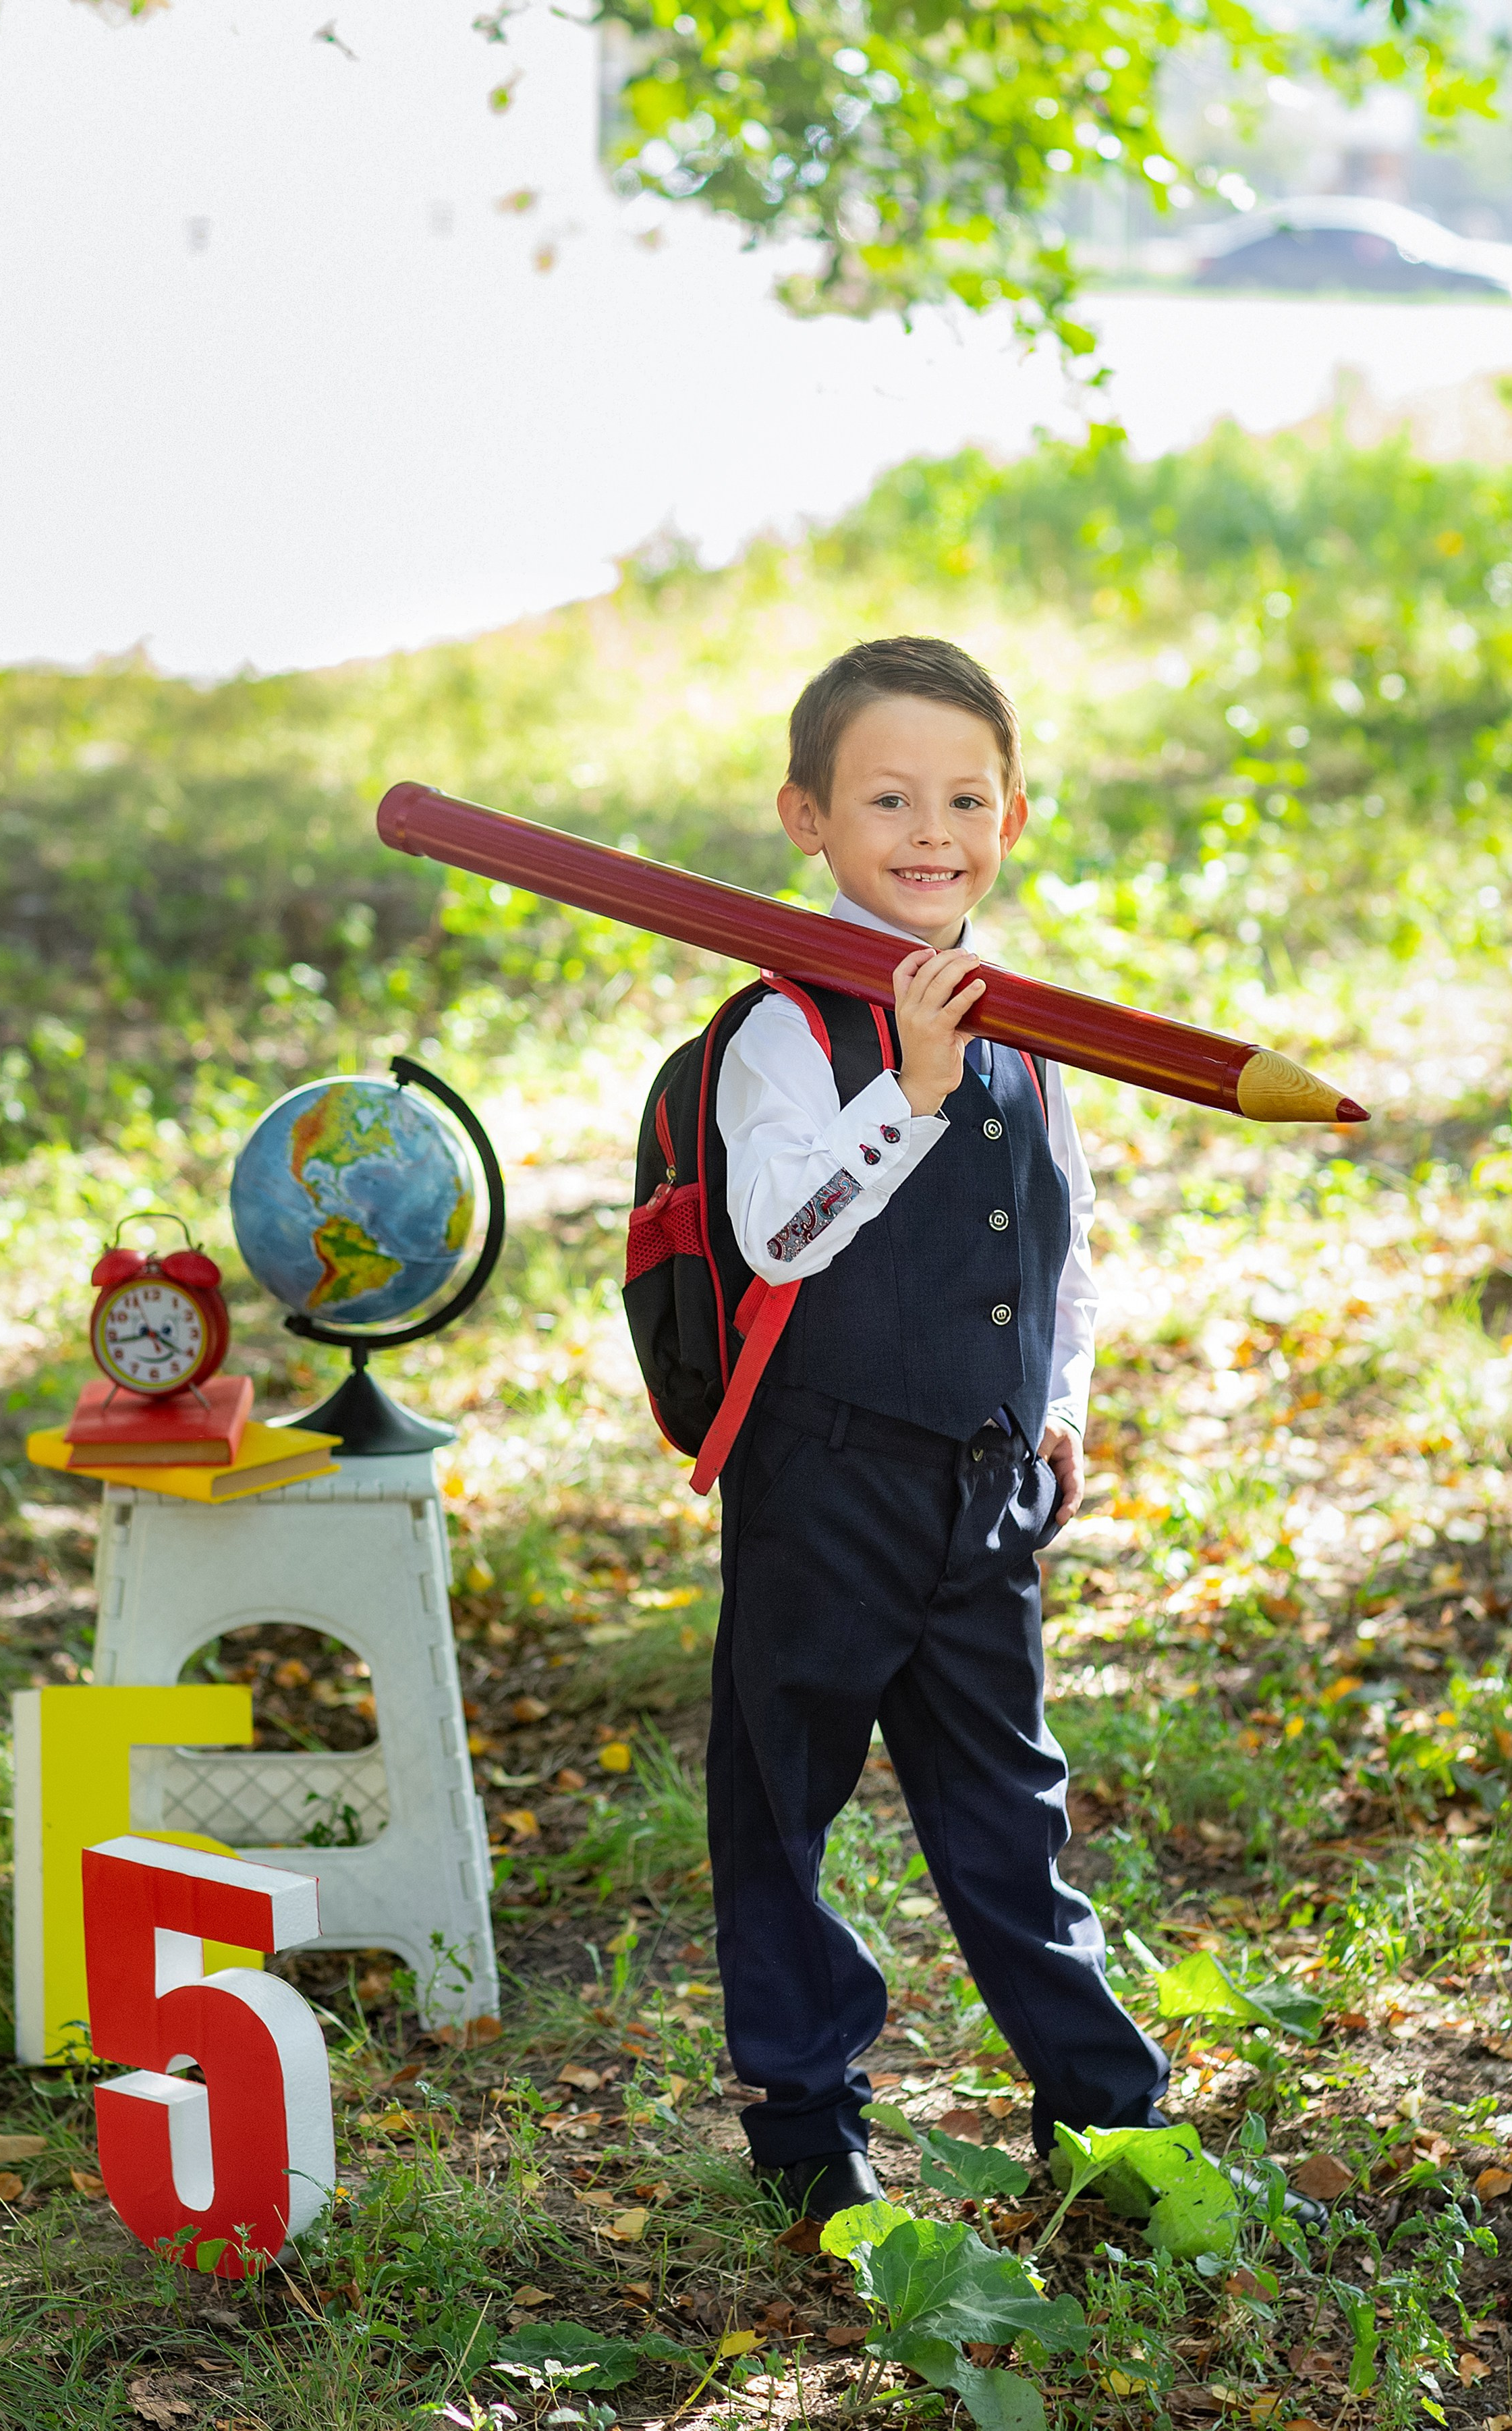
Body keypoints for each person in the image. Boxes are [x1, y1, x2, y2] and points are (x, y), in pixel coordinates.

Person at [708, 634, 1170, 2221]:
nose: (927, 829)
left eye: (962, 797)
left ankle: (1106, 2114)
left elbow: (1066, 1237)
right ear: (806, 818)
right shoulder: (781, 1025)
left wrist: (1054, 1402)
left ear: (1012, 818)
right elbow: (776, 1237)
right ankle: (807, 2136)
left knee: (1008, 1809)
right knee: (782, 1804)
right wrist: (902, 1085)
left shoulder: (1029, 1028)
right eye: (886, 796)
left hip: (984, 1487)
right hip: (823, 1482)